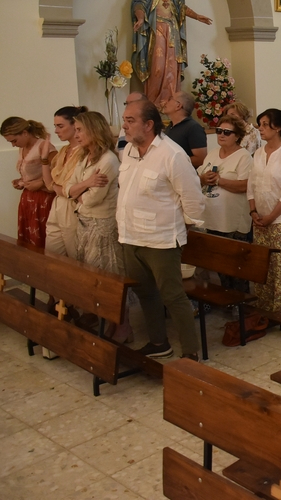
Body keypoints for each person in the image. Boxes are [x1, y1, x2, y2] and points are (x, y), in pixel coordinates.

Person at [117, 99, 204, 360]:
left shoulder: (172, 154)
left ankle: (190, 352)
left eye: (130, 121)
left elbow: (193, 198)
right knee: (145, 292)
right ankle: (158, 342)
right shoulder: (129, 151)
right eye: (124, 120)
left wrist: (182, 226)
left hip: (161, 239)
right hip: (131, 236)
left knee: (172, 296)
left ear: (149, 124)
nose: (124, 126)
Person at [68, 111, 131, 342]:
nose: (76, 134)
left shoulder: (108, 160)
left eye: (80, 130)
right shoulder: (84, 157)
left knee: (109, 277)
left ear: (94, 130)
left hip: (102, 227)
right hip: (84, 224)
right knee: (93, 277)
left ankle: (122, 326)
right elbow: (68, 188)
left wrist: (78, 193)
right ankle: (105, 321)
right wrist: (85, 184)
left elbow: (92, 199)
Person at [131, 0, 212, 107]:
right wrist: (140, 18)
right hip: (156, 30)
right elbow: (138, 4)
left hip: (172, 31)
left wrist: (196, 16)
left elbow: (180, 6)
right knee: (158, 66)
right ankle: (154, 103)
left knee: (172, 67)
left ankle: (170, 102)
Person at [248, 108, 281, 320]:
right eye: (259, 124)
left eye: (265, 124)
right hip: (260, 218)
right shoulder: (258, 153)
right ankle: (264, 307)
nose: (260, 129)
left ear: (277, 127)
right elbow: (251, 185)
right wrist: (253, 210)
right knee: (263, 265)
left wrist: (270, 217)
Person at [197, 114, 253, 292]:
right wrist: (203, 179)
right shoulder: (213, 153)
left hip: (232, 221)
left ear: (237, 136)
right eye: (219, 131)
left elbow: (245, 185)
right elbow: (199, 176)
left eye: (227, 132)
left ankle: (240, 302)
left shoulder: (244, 157)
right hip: (211, 218)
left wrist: (219, 181)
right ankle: (225, 299)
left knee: (235, 269)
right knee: (219, 267)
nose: (221, 135)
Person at [2, 117, 56, 247]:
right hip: (28, 198)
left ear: (25, 133)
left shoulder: (43, 146)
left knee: (41, 237)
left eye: (14, 141)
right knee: (27, 238)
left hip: (43, 198)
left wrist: (41, 183)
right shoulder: (22, 148)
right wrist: (21, 181)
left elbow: (60, 172)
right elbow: (31, 173)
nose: (13, 145)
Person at [43, 106, 87, 257]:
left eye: (60, 126)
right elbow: (50, 185)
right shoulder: (63, 151)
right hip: (57, 203)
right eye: (55, 126)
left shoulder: (84, 151)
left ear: (75, 125)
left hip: (73, 206)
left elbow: (71, 189)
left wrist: (58, 188)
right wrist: (44, 159)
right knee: (52, 253)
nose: (56, 131)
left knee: (75, 253)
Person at [161, 91, 207, 168]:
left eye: (170, 99)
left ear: (178, 106)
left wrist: (172, 162)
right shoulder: (170, 127)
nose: (165, 102)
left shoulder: (193, 127)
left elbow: (200, 159)